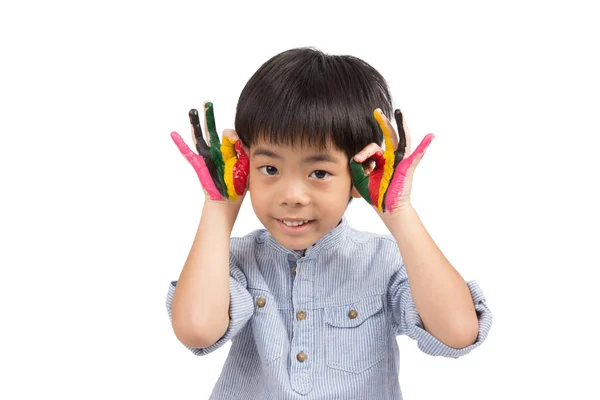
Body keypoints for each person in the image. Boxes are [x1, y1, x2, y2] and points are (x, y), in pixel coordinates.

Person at [166, 47, 492, 399]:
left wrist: (398, 211)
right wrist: (220, 205)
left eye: (319, 172)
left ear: (359, 172)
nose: (292, 195)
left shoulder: (382, 260)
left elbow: (458, 333)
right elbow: (196, 330)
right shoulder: (232, 260)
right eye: (270, 169)